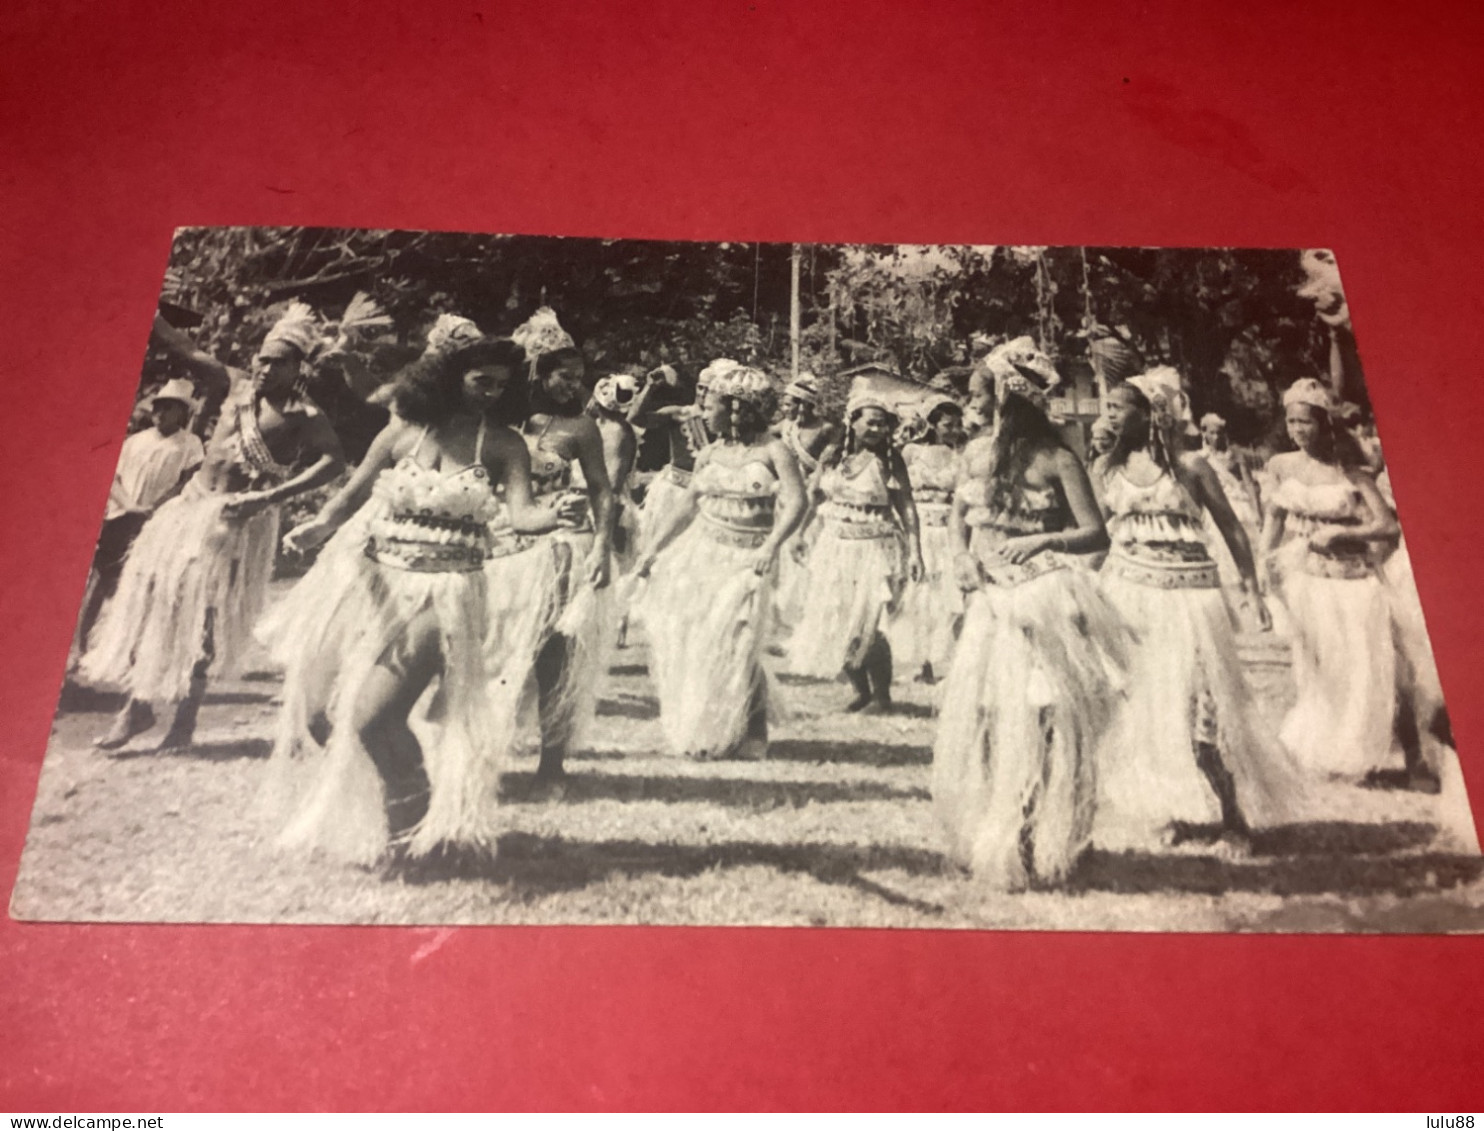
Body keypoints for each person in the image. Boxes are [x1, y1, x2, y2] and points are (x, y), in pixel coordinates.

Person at [266, 335, 563, 864]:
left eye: (501, 385)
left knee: (372, 717)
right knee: (331, 715)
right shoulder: (403, 432)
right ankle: (417, 831)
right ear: (451, 379)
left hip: (446, 592)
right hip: (375, 587)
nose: (491, 394)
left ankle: (415, 834)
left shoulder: (503, 444)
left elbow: (521, 513)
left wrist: (552, 515)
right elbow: (353, 492)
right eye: (481, 382)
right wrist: (318, 525)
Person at [84, 307, 347, 752]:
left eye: (277, 362)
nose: (265, 368)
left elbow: (334, 462)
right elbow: (186, 349)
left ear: (297, 367)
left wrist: (269, 498)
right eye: (262, 358)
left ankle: (182, 722)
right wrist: (147, 311)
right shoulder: (235, 385)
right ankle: (140, 705)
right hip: (187, 510)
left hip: (233, 523)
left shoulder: (304, 414)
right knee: (152, 603)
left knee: (201, 619)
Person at [932, 337, 1128, 891]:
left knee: (1047, 722)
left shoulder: (1058, 458)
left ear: (1005, 397)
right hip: (990, 606)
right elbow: (957, 517)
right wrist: (960, 557)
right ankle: (1002, 831)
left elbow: (1096, 532)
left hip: (1043, 603)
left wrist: (1045, 541)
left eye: (978, 393)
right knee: (991, 720)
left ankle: (1059, 834)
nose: (970, 404)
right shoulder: (973, 455)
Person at [1089, 370, 1310, 853]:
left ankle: (1234, 821)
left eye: (1117, 408)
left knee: (1205, 708)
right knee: (1150, 707)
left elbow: (1232, 531)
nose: (1108, 415)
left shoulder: (1191, 468)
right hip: (1129, 596)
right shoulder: (1107, 469)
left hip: (1191, 601)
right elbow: (1098, 536)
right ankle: (1174, 811)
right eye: (1106, 407)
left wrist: (1252, 591)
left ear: (1151, 415)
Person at [632, 367, 806, 759]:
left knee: (739, 642)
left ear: (736, 409)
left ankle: (753, 731)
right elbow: (689, 504)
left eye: (710, 406)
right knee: (705, 642)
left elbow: (797, 502)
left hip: (750, 558)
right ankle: (716, 729)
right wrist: (652, 550)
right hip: (704, 554)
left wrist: (772, 546)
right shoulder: (709, 453)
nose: (703, 413)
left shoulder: (774, 450)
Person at [1260, 377, 1401, 779]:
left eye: (1305, 422)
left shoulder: (1351, 474)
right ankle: (1318, 748)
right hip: (1306, 580)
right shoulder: (1281, 466)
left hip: (1352, 583)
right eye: (1291, 422)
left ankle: (1354, 755)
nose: (1298, 430)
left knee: (1355, 669)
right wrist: (1263, 573)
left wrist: (1344, 533)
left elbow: (1388, 528)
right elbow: (1271, 523)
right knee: (1315, 667)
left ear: (1324, 423)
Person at [501, 308, 614, 782]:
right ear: (537, 372)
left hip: (556, 549)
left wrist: (604, 546)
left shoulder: (580, 429)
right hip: (498, 545)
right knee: (498, 650)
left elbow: (602, 491)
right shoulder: (499, 423)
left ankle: (552, 761)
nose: (575, 387)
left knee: (551, 653)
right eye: (565, 377)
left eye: (579, 378)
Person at [788, 383, 924, 713]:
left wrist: (916, 550)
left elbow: (906, 505)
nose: (876, 429)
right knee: (838, 621)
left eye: (882, 423)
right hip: (835, 546)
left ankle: (881, 696)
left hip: (875, 549)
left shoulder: (891, 461)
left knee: (869, 625)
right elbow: (813, 498)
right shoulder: (833, 457)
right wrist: (798, 533)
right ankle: (860, 689)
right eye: (870, 422)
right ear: (853, 421)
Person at [75, 378, 205, 654]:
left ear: (183, 413)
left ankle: (134, 649)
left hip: (161, 522)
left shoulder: (190, 444)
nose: (161, 413)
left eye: (170, 407)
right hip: (122, 518)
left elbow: (187, 481)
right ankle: (82, 645)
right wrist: (131, 506)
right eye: (158, 406)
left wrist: (156, 507)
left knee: (149, 583)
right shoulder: (134, 441)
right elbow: (113, 478)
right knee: (103, 580)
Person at [888, 393, 967, 684]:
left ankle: (951, 663)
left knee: (948, 599)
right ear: (933, 424)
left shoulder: (961, 455)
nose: (954, 430)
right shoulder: (910, 452)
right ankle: (922, 664)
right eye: (948, 424)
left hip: (947, 532)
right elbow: (897, 491)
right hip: (918, 530)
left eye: (957, 424)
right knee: (918, 598)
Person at [772, 375, 841, 632]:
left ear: (804, 404)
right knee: (781, 556)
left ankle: (808, 614)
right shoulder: (784, 427)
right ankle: (781, 616)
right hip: (783, 498)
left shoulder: (827, 429)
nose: (785, 408)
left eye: (789, 404)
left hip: (813, 499)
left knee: (807, 552)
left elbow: (825, 466)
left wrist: (814, 487)